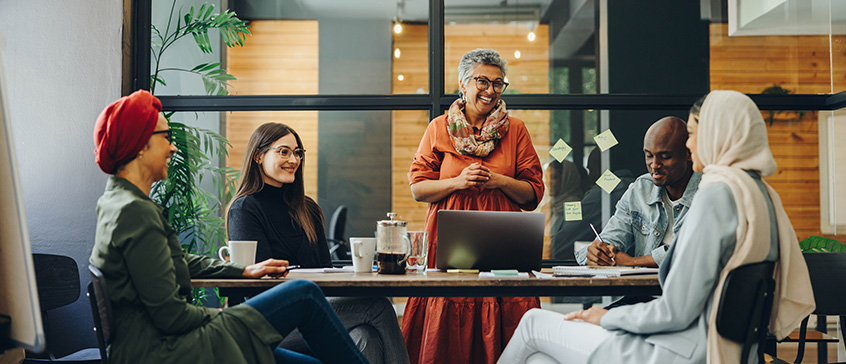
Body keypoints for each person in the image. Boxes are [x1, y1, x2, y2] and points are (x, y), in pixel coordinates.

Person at [496, 90, 815, 364]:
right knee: (540, 359)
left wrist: (608, 317)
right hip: (720, 348)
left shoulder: (716, 193)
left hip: (678, 351)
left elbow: (675, 310)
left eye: (693, 134)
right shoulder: (758, 192)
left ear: (717, 133)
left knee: (532, 323)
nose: (690, 145)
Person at [90, 90, 369, 364]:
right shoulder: (135, 211)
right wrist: (235, 320)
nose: (173, 147)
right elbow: (172, 316)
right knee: (304, 294)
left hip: (160, 339)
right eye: (166, 137)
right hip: (165, 347)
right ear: (140, 144)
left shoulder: (118, 202)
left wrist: (242, 270)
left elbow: (177, 262)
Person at [402, 48, 545, 364]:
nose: (491, 90)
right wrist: (457, 182)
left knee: (505, 311)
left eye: (498, 83)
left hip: (505, 246)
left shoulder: (516, 129)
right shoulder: (439, 128)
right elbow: (418, 188)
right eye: (483, 81)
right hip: (449, 245)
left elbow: (534, 194)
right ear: (463, 84)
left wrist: (498, 180)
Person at [226, 122, 410, 364]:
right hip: (272, 321)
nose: (293, 159)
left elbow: (327, 270)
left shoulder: (307, 209)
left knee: (365, 336)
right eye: (283, 151)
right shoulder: (244, 209)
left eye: (297, 153)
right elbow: (260, 285)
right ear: (259, 156)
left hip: (314, 312)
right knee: (378, 305)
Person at [576, 116, 701, 268]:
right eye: (649, 155)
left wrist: (632, 262)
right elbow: (610, 239)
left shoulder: (707, 192)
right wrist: (597, 252)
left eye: (665, 157)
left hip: (685, 290)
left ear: (688, 153)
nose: (654, 165)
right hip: (640, 291)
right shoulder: (640, 189)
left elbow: (691, 252)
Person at [550, 148, 634, 262]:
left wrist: (545, 250)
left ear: (599, 167)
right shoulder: (634, 187)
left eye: (590, 170)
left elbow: (565, 240)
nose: (589, 177)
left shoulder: (601, 194)